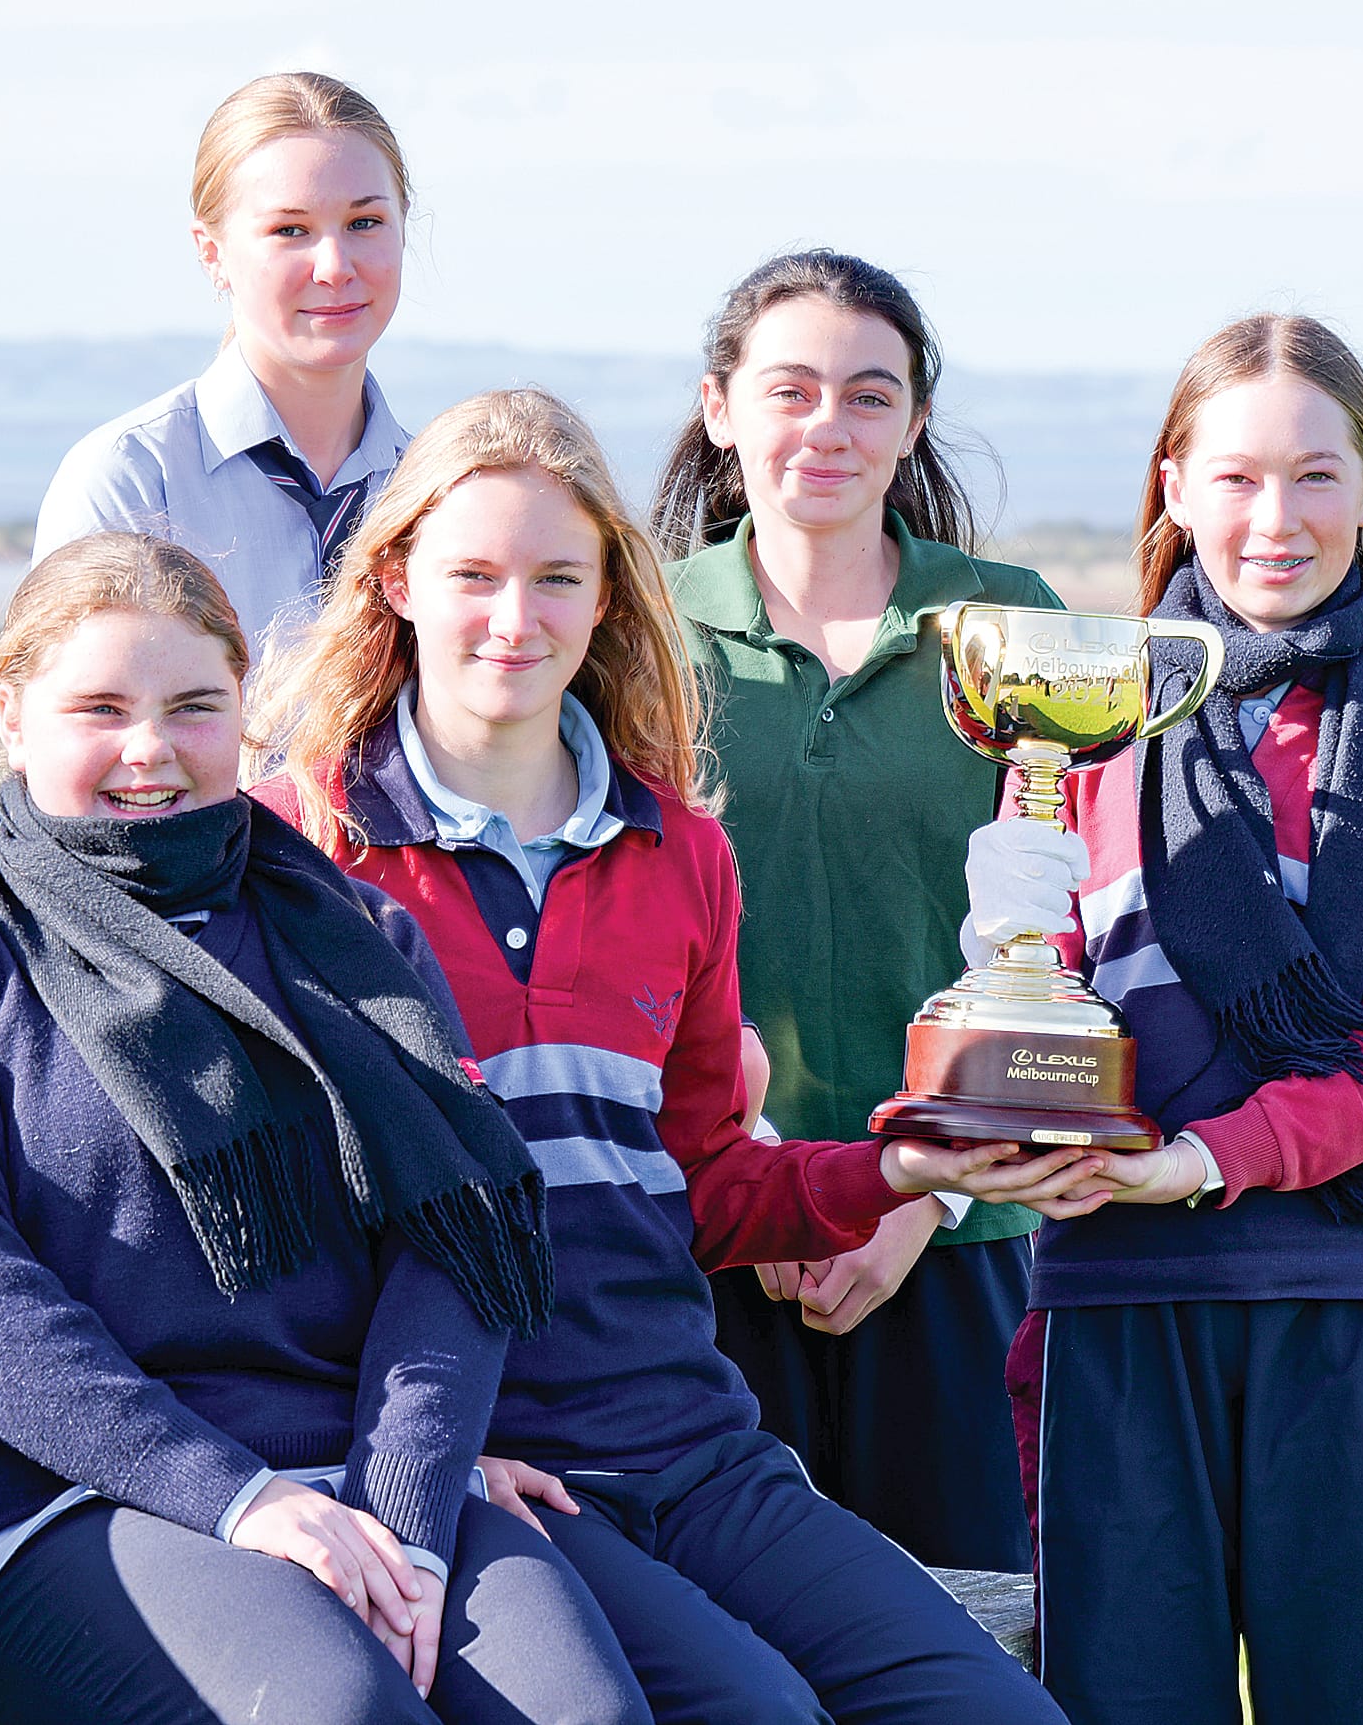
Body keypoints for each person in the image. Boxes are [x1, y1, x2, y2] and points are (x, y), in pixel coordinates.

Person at [249, 387, 1079, 1725]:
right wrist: (418, 1461)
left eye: (555, 578)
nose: (513, 618)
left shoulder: (679, 851)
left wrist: (901, 1164)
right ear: (395, 578)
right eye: (473, 573)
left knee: (995, 1712)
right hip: (485, 1461)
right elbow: (268, 1218)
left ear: (608, 600)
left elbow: (698, 1181)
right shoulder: (292, 845)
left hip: (688, 1434)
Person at [0, 535, 648, 1725]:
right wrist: (236, 1496)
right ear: (12, 717)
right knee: (335, 1715)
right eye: (99, 707)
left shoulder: (360, 940)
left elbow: (453, 1244)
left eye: (193, 705)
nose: (149, 749)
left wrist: (403, 1515)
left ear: (243, 715)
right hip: (54, 1502)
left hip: (357, 1483)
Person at [965, 315, 1363, 1725]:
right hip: (1110, 1301)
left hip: (1351, 1302)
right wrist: (1013, 1112)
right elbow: (1044, 997)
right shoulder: (1084, 723)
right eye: (1237, 477)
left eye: (1317, 475)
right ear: (1173, 485)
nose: (1276, 520)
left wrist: (1204, 1159)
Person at [650, 248, 1064, 1573]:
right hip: (703, 1239)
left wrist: (913, 1199)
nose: (827, 425)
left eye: (867, 395)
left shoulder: (1012, 624)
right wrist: (766, 1184)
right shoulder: (635, 631)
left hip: (960, 1234)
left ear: (914, 421)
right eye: (789, 390)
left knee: (970, 1641)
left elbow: (1068, 929)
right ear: (721, 408)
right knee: (727, 1652)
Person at [35, 73, 412, 652]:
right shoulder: (132, 482)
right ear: (212, 254)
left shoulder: (439, 491)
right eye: (290, 230)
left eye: (365, 223)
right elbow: (78, 724)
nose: (335, 266)